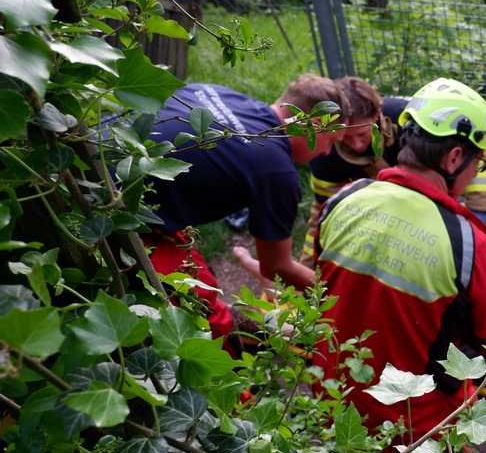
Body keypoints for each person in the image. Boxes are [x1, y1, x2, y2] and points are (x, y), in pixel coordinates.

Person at [312, 77, 486, 444]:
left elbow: (322, 289)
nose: (474, 175)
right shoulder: (468, 245)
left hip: (329, 405)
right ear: (454, 158)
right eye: (476, 166)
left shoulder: (344, 199)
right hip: (411, 431)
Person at [141, 75, 346, 338]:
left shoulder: (221, 92)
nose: (328, 153)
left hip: (102, 154)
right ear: (314, 125)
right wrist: (338, 291)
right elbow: (275, 267)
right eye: (332, 141)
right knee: (212, 321)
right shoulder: (276, 171)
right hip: (123, 214)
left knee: (199, 275)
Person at [298, 75, 486, 266]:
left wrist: (478, 221)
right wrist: (306, 272)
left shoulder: (406, 120)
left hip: (443, 188)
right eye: (346, 138)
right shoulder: (327, 153)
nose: (356, 145)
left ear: (377, 116)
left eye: (362, 134)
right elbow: (321, 214)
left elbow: (475, 153)